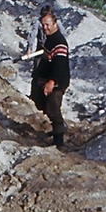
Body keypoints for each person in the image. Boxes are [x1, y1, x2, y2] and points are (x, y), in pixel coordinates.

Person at [31, 11, 70, 148]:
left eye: (47, 25)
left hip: (57, 81)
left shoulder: (59, 42)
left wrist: (51, 83)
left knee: (53, 107)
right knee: (42, 103)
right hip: (46, 78)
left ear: (55, 23)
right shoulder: (50, 38)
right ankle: (58, 127)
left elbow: (59, 66)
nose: (45, 28)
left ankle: (59, 139)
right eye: (43, 25)